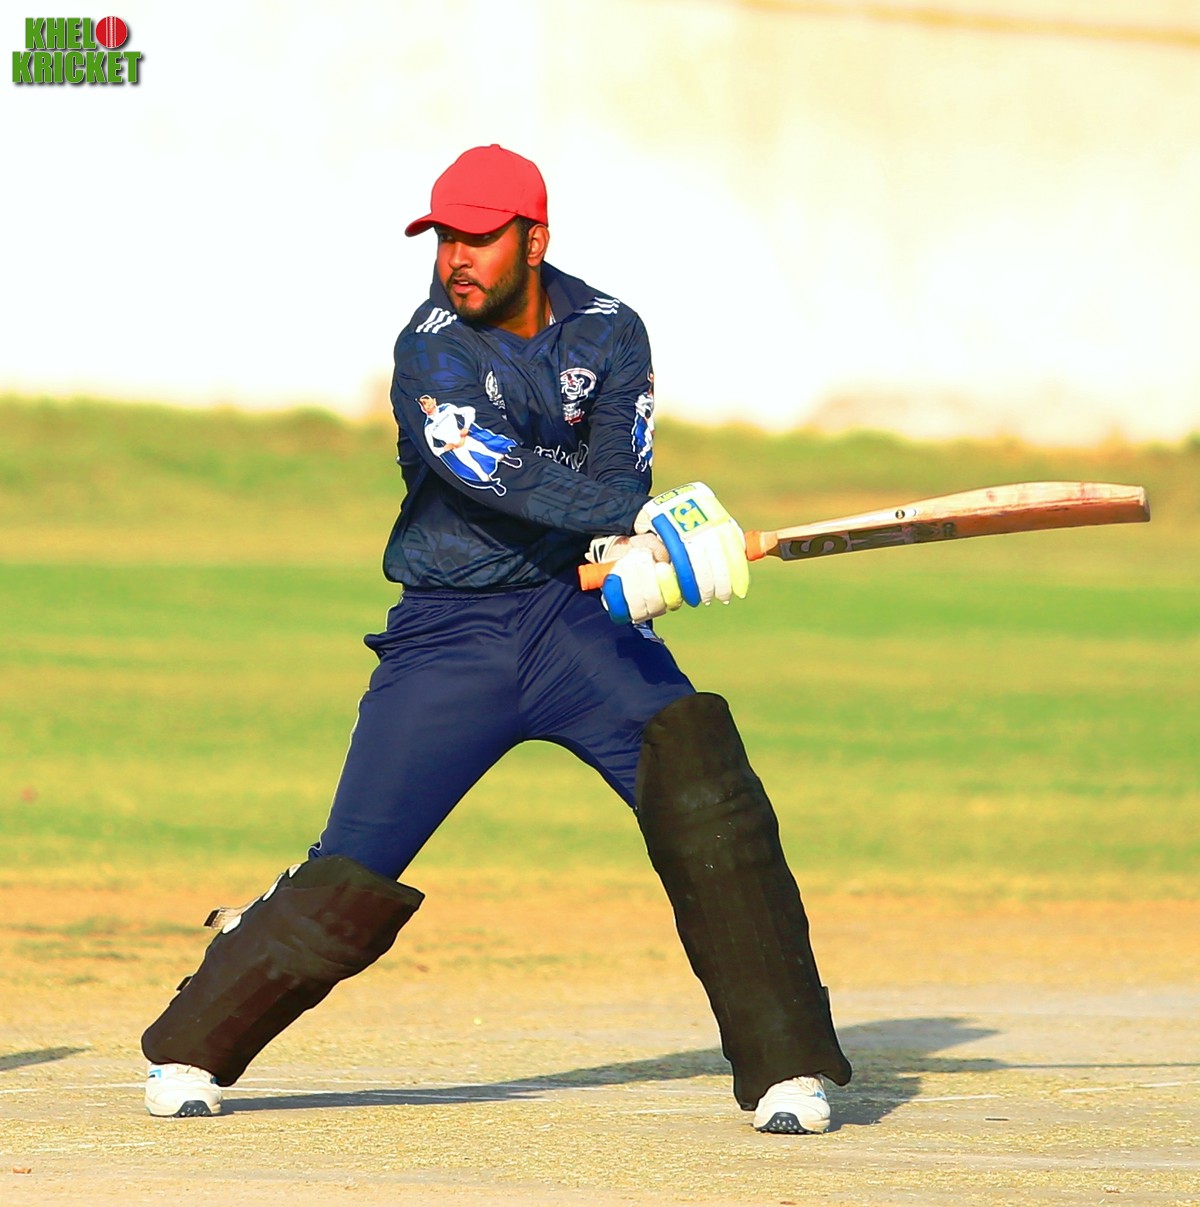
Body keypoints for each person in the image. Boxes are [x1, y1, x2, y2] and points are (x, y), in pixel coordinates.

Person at [141, 144, 852, 1134]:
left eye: (477, 238)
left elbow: (618, 477)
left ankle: (788, 1067)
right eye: (443, 238)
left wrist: (643, 548)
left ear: (534, 239)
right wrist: (636, 523)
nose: (455, 258)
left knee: (707, 788)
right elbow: (507, 478)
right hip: (451, 631)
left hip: (578, 625)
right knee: (354, 867)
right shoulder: (430, 350)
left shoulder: (609, 329)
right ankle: (192, 1045)